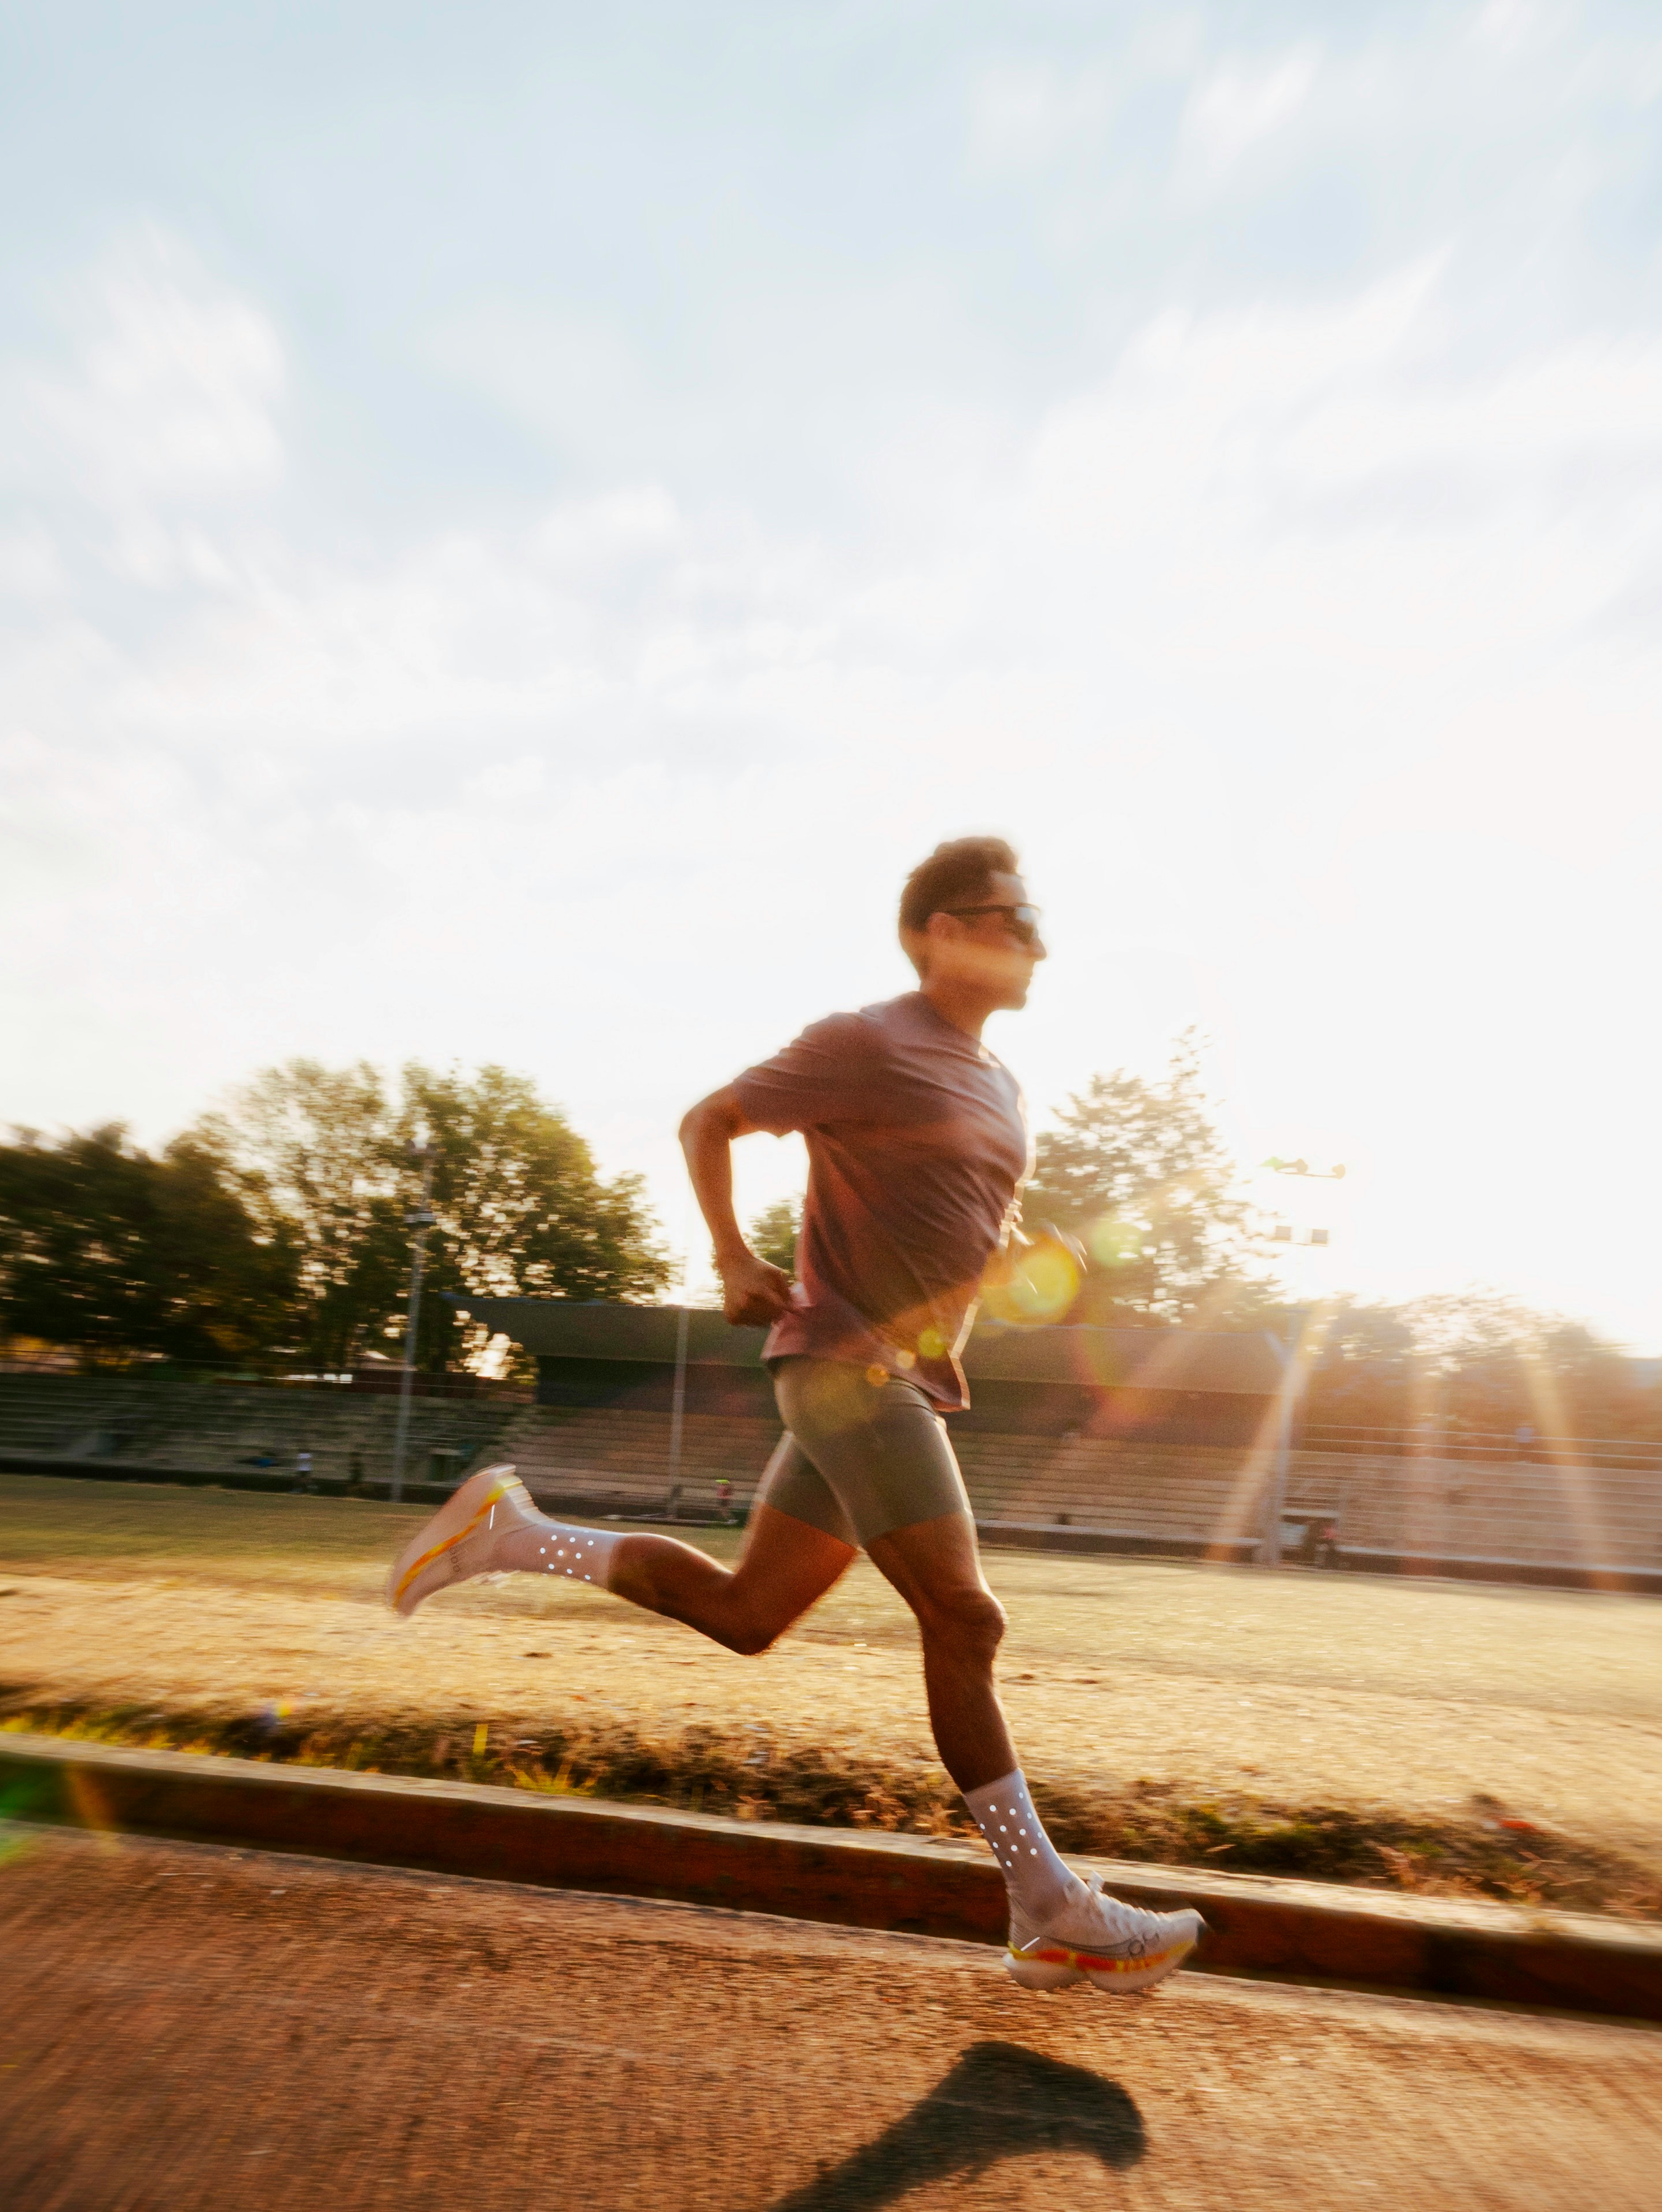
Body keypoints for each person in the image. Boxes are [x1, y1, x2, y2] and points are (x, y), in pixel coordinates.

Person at [387, 836, 1204, 1995]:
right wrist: (730, 1253)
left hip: (903, 1377)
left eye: (1033, 919)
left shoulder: (999, 1085)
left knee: (746, 1612)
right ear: (936, 934)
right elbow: (705, 1121)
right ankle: (1046, 1903)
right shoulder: (863, 1043)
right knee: (963, 1619)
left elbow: (956, 1230)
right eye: (1004, 917)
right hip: (844, 1370)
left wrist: (1027, 1260)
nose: (1032, 938)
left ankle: (507, 1534)